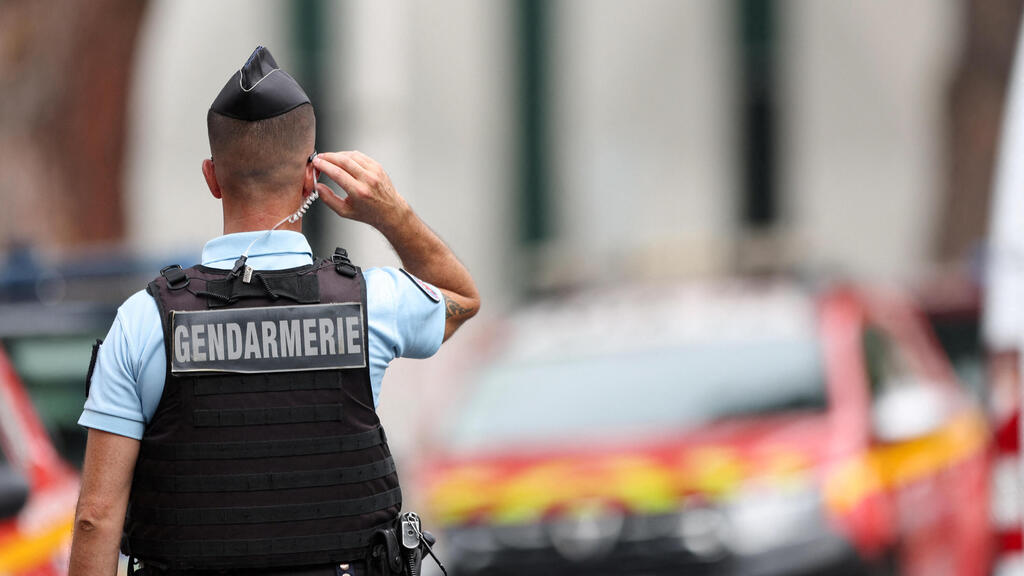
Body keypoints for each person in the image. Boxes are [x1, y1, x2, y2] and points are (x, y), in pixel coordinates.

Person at [68, 46, 479, 576]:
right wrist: (391, 215)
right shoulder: (372, 303)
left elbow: (95, 520)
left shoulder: (144, 321)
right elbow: (462, 299)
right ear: (311, 178)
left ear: (212, 177)